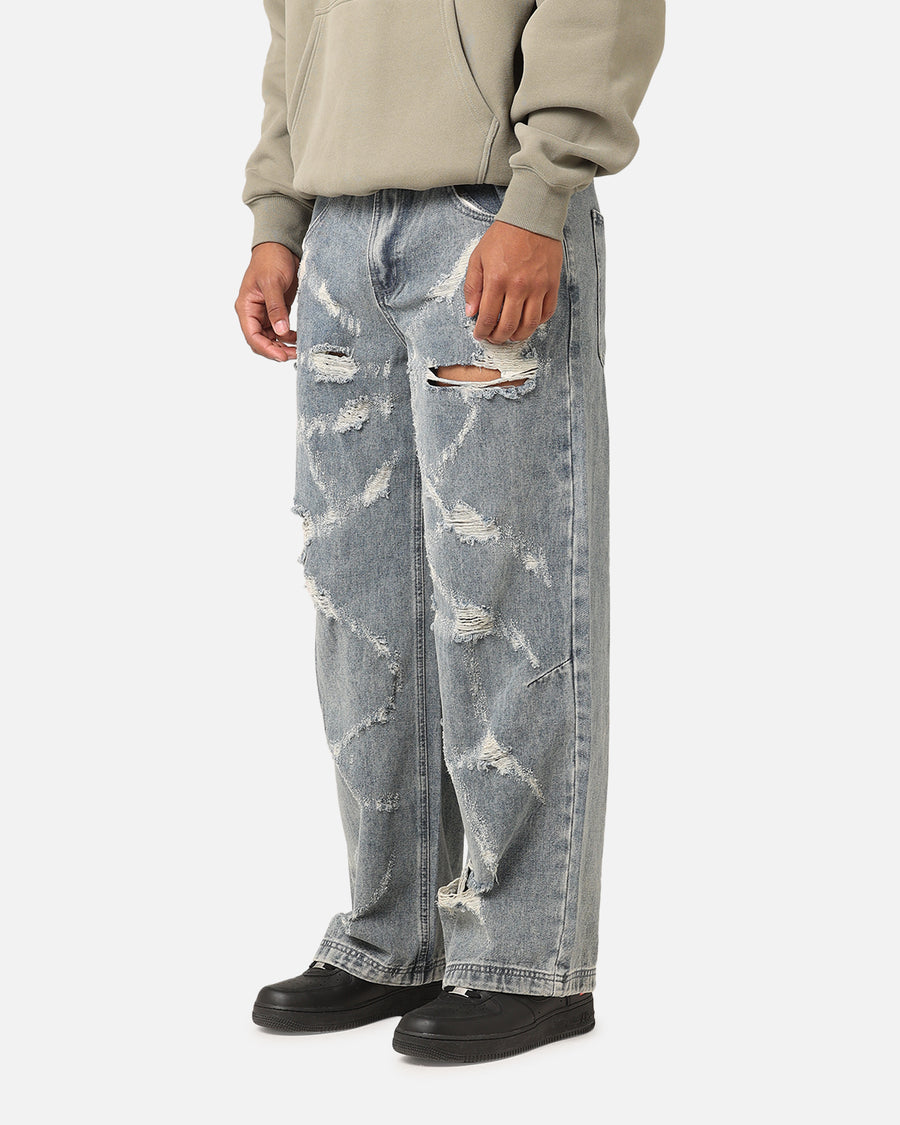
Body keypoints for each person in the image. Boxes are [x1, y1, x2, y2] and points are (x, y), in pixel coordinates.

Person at [234, 0, 665, 1064]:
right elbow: (295, 29)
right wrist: (277, 216)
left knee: (506, 594)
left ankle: (525, 961)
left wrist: (542, 192)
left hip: (487, 212)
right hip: (336, 230)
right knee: (361, 601)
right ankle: (395, 937)